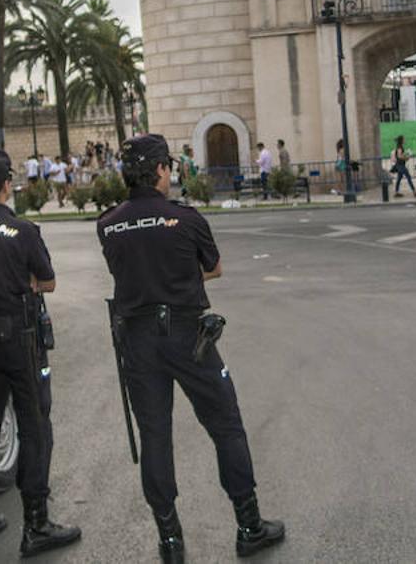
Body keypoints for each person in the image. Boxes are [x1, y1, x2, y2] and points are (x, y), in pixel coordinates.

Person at [97, 134, 284, 562]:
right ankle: (249, 525)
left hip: (138, 341)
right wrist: (179, 279)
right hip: (187, 336)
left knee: (155, 437)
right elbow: (213, 268)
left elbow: (125, 271)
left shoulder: (107, 223)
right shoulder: (185, 218)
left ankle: (170, 541)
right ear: (162, 169)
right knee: (225, 425)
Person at [0, 150, 82, 558]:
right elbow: (48, 282)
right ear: (7, 184)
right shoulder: (22, 230)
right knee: (35, 428)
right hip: (18, 342)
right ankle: (37, 523)